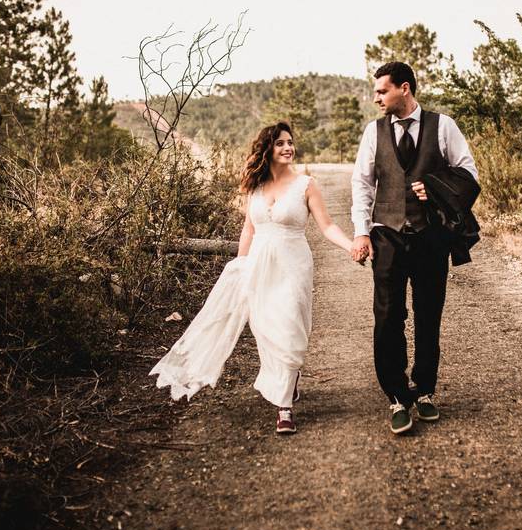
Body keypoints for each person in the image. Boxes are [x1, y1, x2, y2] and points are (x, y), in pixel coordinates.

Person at [150, 122, 353, 434]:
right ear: (267, 150)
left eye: (290, 142)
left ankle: (284, 408)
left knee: (288, 329)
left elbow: (327, 226)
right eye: (280, 143)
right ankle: (287, 382)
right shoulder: (255, 188)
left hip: (293, 266)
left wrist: (352, 245)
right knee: (266, 330)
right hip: (258, 266)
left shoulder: (306, 185)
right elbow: (249, 229)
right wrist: (240, 267)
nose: (288, 148)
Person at [350, 61, 478, 435]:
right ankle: (396, 396)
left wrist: (434, 186)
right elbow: (362, 184)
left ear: (404, 88)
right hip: (386, 234)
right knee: (388, 317)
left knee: (428, 313)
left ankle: (424, 390)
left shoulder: (444, 126)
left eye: (382, 91)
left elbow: (468, 174)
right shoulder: (373, 133)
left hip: (430, 236)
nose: (376, 98)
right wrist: (361, 233)